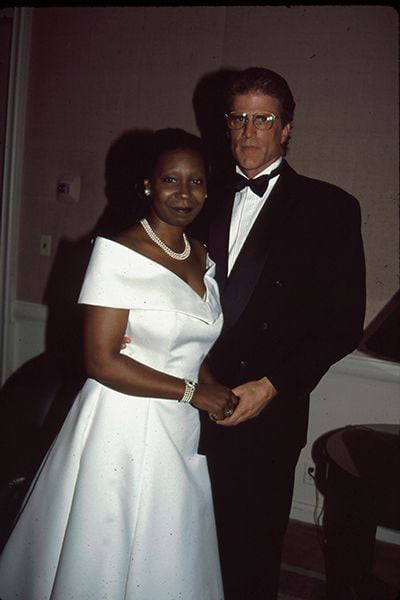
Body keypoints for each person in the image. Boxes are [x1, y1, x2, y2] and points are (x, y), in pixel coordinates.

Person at [0, 128, 238, 600]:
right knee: (108, 547)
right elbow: (100, 360)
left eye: (196, 182)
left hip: (180, 423)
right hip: (123, 420)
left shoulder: (204, 256)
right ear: (148, 185)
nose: (184, 193)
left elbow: (192, 345)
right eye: (171, 179)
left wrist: (212, 390)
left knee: (167, 546)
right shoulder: (118, 252)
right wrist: (194, 392)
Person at [196, 67, 366, 599]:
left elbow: (342, 324)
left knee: (250, 552)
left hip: (267, 406)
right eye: (238, 118)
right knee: (185, 536)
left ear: (286, 128)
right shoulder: (196, 194)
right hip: (186, 396)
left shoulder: (330, 208)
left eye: (263, 119)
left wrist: (272, 385)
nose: (248, 132)